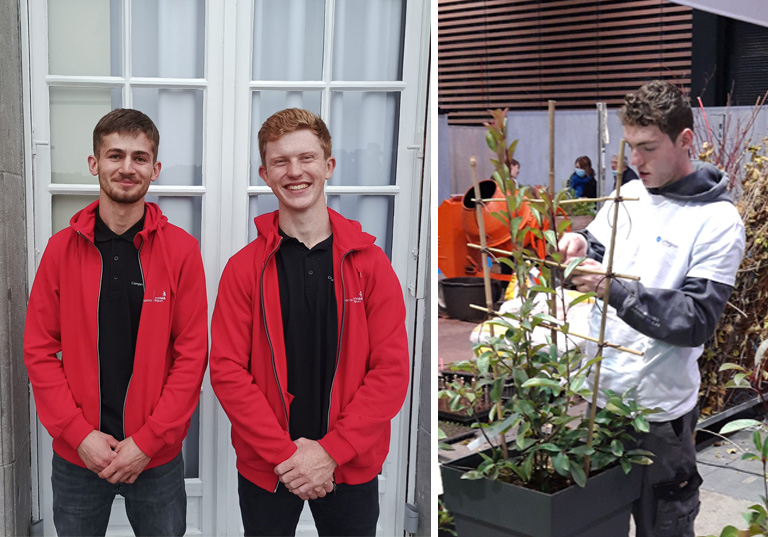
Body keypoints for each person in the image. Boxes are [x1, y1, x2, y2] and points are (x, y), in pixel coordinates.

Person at [210, 108, 410, 536]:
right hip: (268, 465)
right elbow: (227, 371)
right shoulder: (243, 269)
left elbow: (390, 372)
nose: (295, 172)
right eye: (280, 161)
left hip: (351, 462)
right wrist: (288, 457)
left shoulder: (371, 265)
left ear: (328, 166)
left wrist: (330, 452)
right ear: (265, 173)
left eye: (306, 158)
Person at [558, 80, 745, 537]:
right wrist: (583, 245)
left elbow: (694, 319)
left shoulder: (718, 221)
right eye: (629, 147)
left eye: (647, 147)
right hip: (599, 401)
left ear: (684, 140)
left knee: (663, 525)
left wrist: (611, 287)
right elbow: (600, 247)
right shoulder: (629, 195)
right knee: (595, 523)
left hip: (658, 415)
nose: (635, 161)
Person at [24, 109, 208, 536]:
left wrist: (148, 442)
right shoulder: (60, 250)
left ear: (155, 169)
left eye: (140, 158)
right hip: (78, 456)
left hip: (155, 457)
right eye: (115, 155)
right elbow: (38, 350)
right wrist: (78, 434)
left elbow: (191, 355)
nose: (127, 168)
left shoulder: (181, 251)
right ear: (95, 163)